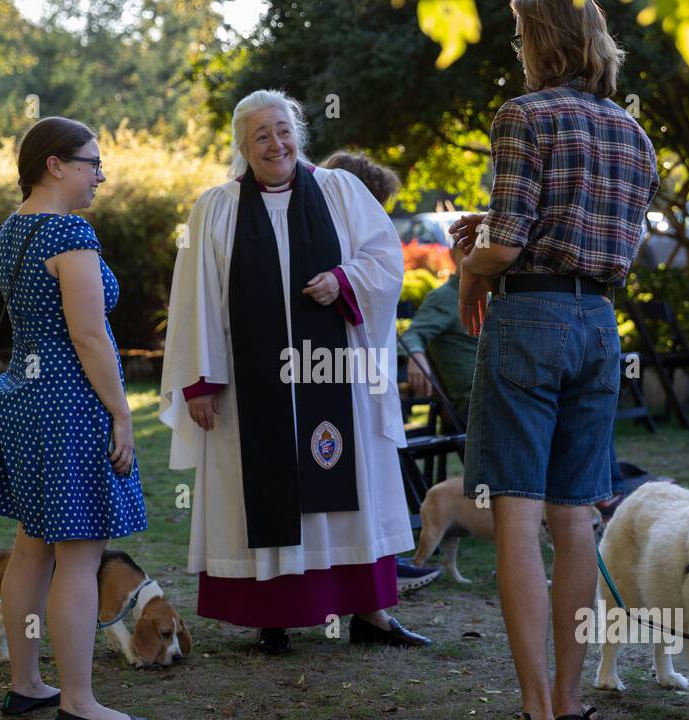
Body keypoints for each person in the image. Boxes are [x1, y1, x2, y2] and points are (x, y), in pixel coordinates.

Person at [450, 0, 659, 720]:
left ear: (540, 43)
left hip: (530, 317)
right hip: (599, 323)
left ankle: (534, 717)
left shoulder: (522, 115)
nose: (517, 55)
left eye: (519, 41)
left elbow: (507, 247)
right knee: (576, 520)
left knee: (517, 516)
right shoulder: (633, 134)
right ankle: (570, 708)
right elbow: (603, 236)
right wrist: (497, 241)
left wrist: (471, 267)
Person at [159, 90, 432, 654]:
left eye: (282, 130)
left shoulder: (340, 192)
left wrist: (344, 279)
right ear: (242, 147)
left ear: (297, 134)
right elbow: (195, 299)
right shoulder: (217, 208)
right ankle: (273, 616)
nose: (274, 143)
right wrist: (201, 380)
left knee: (347, 486)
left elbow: (385, 259)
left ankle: (371, 615)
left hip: (335, 377)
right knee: (266, 491)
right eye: (260, 135)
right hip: (248, 392)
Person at [0, 116, 151, 720]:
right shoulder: (68, 234)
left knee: (32, 545)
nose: (100, 175)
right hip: (70, 403)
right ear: (56, 164)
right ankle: (78, 701)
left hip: (24, 398)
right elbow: (88, 334)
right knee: (80, 555)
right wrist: (122, 411)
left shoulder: (14, 229)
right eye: (92, 163)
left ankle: (26, 684)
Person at [320, 149, 443, 594]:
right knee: (355, 469)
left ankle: (381, 565)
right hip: (333, 371)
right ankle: (369, 572)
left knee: (373, 469)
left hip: (364, 366)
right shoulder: (329, 234)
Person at [399, 241, 480, 427]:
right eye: (466, 249)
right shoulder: (444, 298)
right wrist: (415, 357)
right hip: (476, 405)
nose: (474, 255)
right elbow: (412, 335)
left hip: (496, 398)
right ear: (452, 255)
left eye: (479, 249)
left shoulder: (489, 295)